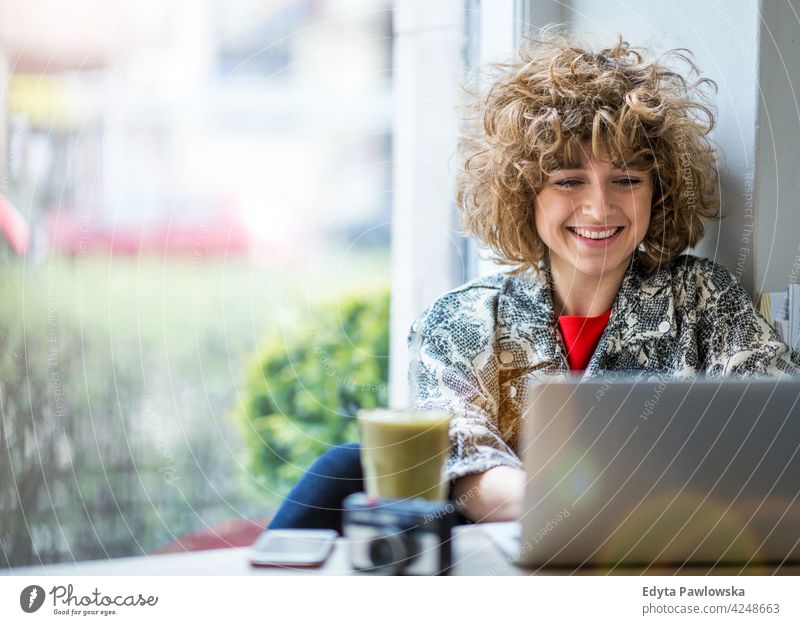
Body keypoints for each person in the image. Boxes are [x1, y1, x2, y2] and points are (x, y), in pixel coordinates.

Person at [268, 32, 799, 534]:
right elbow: (465, 472)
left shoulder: (706, 300)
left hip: (669, 565)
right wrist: (598, 509)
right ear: (525, 194)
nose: (599, 207)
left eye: (627, 180)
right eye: (568, 180)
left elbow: (779, 436)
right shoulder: (461, 322)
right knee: (342, 465)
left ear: (657, 191)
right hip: (508, 574)